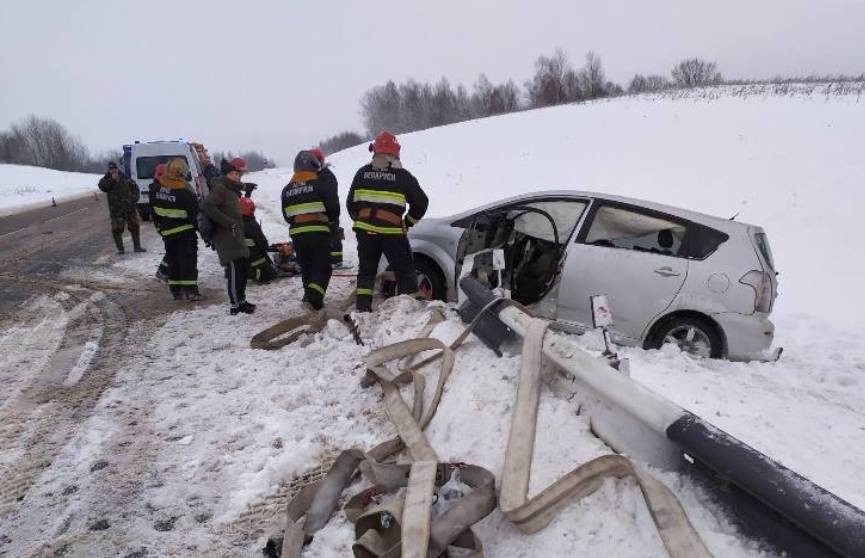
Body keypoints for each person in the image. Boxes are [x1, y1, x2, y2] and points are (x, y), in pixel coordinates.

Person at [346, 131, 428, 312]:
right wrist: (407, 223)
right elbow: (421, 203)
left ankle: (362, 310)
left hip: (365, 232)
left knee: (366, 272)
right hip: (392, 232)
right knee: (405, 271)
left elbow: (350, 204)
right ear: (395, 152)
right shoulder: (402, 176)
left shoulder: (362, 173)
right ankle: (410, 310)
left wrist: (362, 221)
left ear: (374, 151)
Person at [281, 150, 340, 310]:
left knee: (307, 267)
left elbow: (287, 216)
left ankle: (312, 301)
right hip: (318, 232)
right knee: (323, 268)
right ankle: (313, 297)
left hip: (297, 235)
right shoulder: (321, 184)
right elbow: (334, 209)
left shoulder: (286, 190)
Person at [202, 157, 256, 315]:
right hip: (226, 236)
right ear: (226, 175)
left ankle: (242, 300)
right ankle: (235, 304)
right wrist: (228, 222)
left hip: (236, 234)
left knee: (242, 268)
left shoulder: (232, 189)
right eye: (234, 174)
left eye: (237, 174)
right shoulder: (220, 188)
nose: (237, 176)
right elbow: (208, 206)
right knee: (234, 269)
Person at [149, 158, 202, 301]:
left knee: (173, 260)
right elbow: (195, 216)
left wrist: (160, 228)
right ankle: (190, 291)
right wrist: (205, 233)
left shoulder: (154, 189)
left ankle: (176, 290)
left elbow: (154, 212)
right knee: (188, 260)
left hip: (167, 233)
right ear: (182, 172)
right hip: (185, 233)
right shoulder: (185, 192)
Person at [309, 148, 346, 269]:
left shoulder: (326, 176)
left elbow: (331, 198)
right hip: (315, 213)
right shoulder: (310, 175)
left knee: (333, 233)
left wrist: (332, 216)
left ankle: (336, 260)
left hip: (327, 212)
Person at [98, 161, 145, 254]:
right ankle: (120, 249)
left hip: (129, 208)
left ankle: (137, 247)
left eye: (114, 169)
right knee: (116, 229)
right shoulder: (106, 179)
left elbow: (135, 188)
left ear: (117, 168)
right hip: (116, 210)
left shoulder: (125, 177)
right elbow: (103, 187)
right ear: (109, 170)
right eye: (111, 169)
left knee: (134, 226)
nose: (113, 171)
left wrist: (134, 198)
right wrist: (112, 180)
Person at [238, 197, 277, 283]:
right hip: (255, 261)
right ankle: (258, 273)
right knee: (272, 274)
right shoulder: (251, 224)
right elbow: (263, 244)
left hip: (241, 262)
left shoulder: (235, 223)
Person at [150, 163, 170, 282]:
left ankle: (165, 270)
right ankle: (162, 271)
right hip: (164, 224)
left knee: (172, 249)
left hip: (164, 223)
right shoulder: (156, 189)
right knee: (172, 250)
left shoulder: (156, 188)